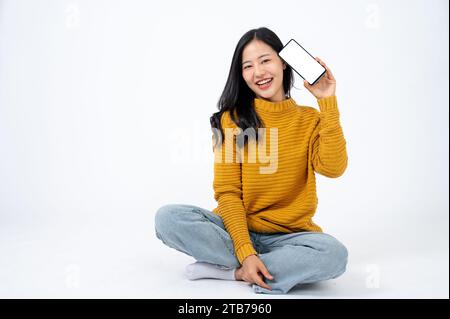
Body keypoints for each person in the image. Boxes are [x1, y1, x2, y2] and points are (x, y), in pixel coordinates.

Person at [154, 27, 349, 295]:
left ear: (283, 62)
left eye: (265, 60)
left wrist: (328, 102)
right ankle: (257, 268)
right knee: (168, 218)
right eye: (248, 66)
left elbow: (334, 168)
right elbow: (228, 193)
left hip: (290, 237)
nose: (258, 72)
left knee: (335, 255)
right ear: (241, 74)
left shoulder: (309, 120)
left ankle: (230, 272)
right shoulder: (230, 120)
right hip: (235, 231)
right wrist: (246, 250)